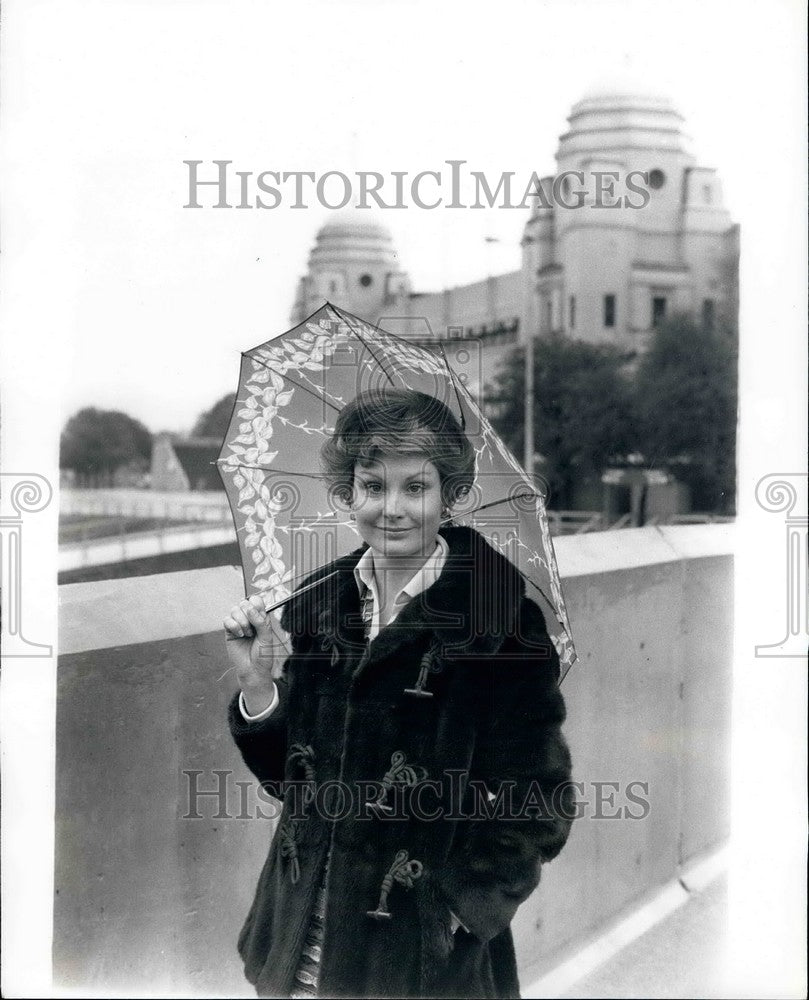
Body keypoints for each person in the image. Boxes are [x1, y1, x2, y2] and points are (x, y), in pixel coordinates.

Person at [223, 387, 573, 999]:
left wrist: (460, 909)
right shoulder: (318, 602)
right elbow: (291, 778)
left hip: (420, 955)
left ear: (450, 495)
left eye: (416, 487)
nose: (392, 508)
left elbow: (541, 800)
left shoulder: (498, 619)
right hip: (302, 927)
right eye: (372, 486)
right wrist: (258, 687)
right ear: (348, 493)